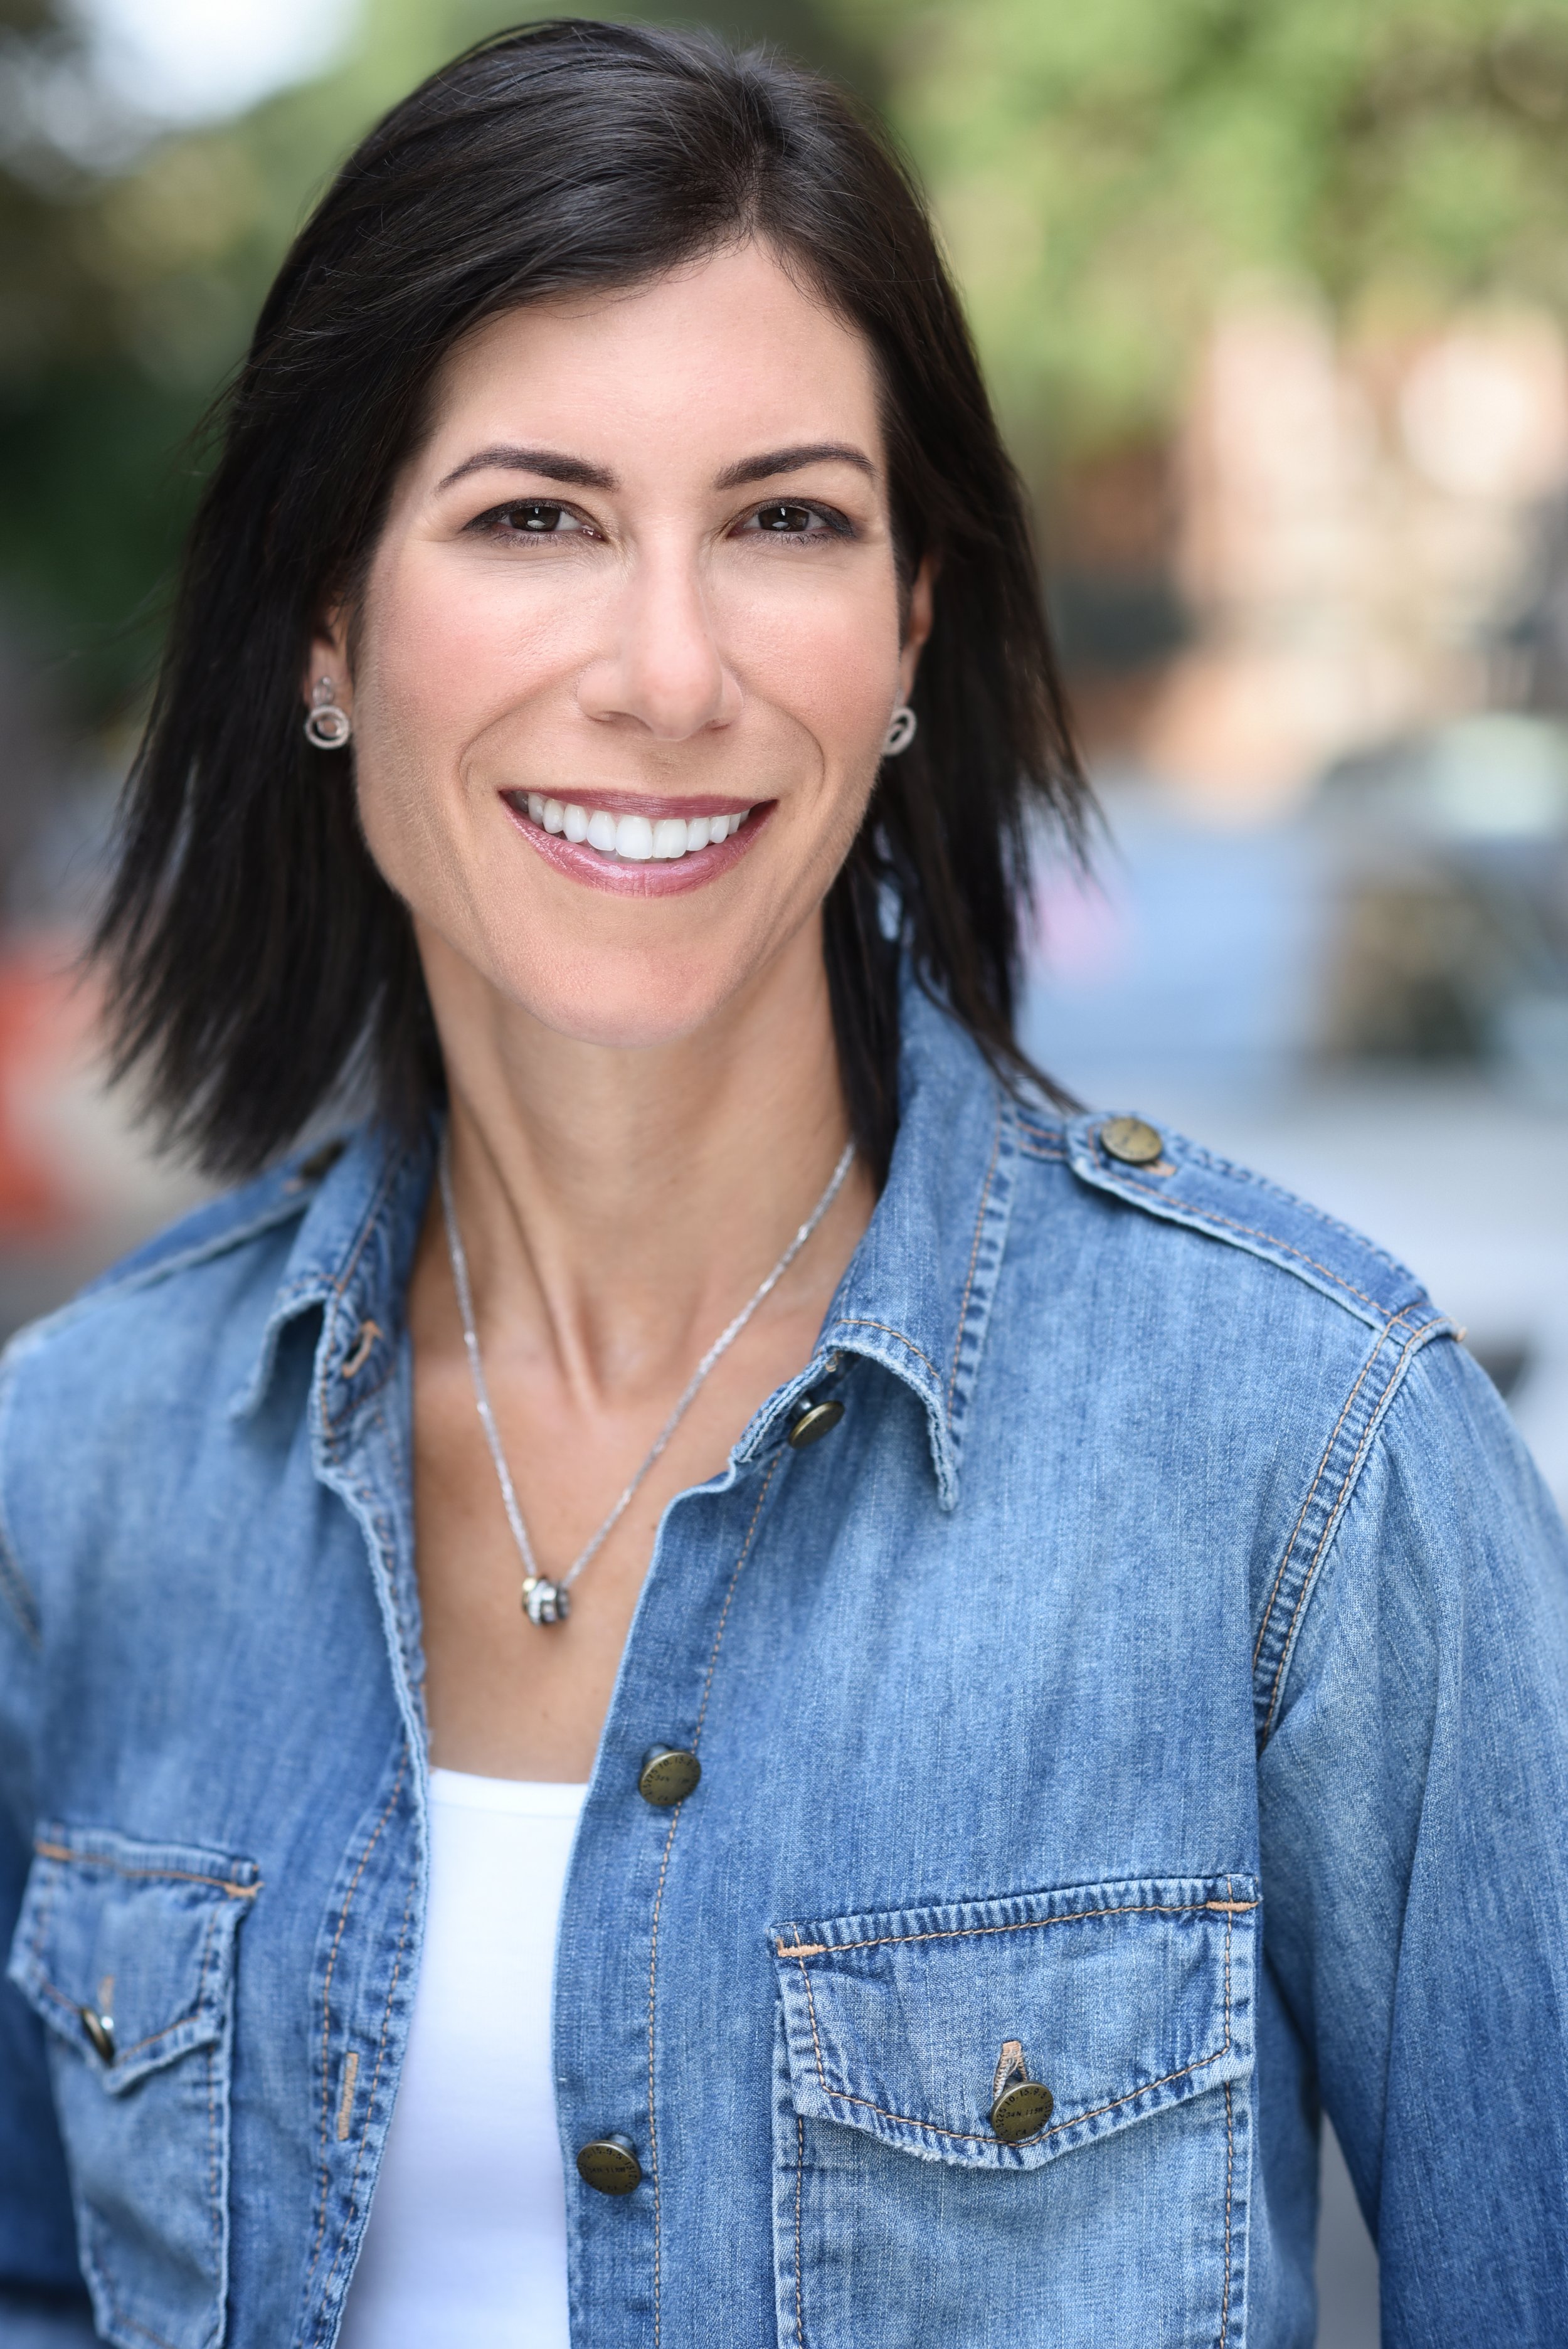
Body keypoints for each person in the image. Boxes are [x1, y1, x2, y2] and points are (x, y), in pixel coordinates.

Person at [1, 19, 1565, 2348]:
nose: (669, 666)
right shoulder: (81, 1473)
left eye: (786, 520)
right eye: (534, 515)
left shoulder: (1302, 1453)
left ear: (911, 626)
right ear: (326, 625)